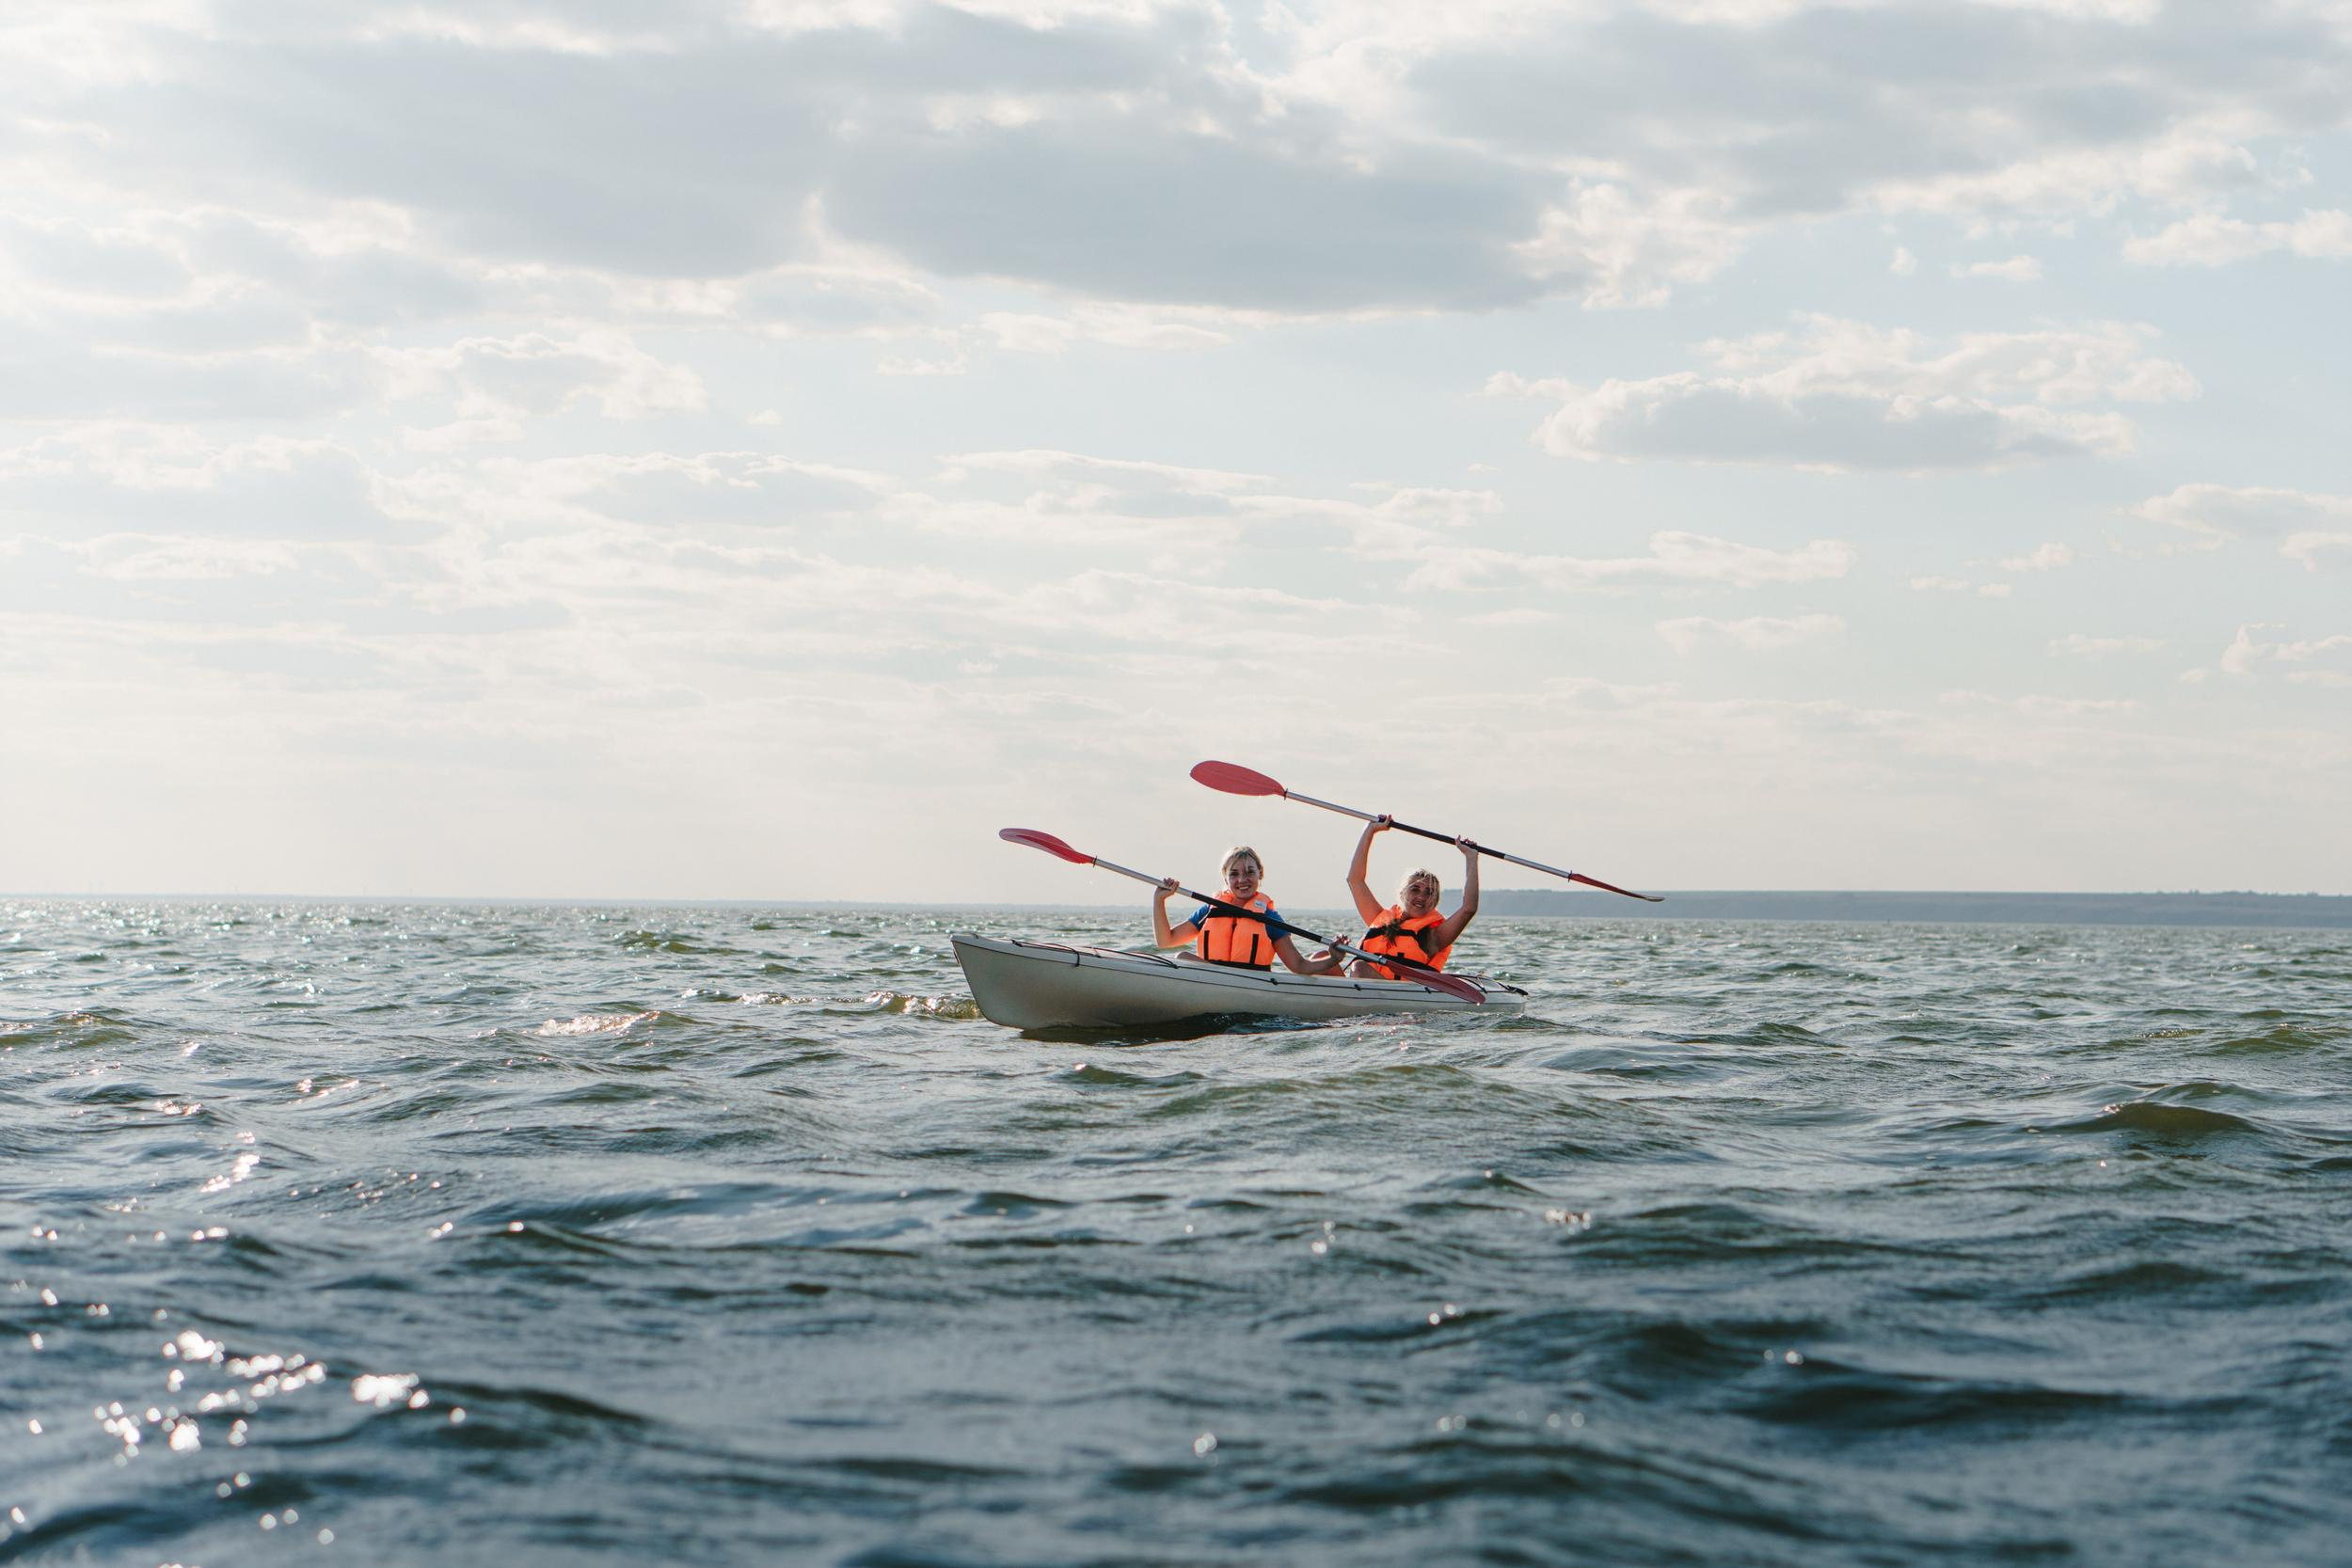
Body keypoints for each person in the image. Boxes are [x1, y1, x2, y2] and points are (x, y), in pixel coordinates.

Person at [1152, 846, 1343, 974]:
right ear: (1225, 879)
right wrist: (1159, 901)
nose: (1242, 880)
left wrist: (1333, 959)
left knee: (1181, 957)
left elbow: (1299, 966)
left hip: (1250, 984)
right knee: (1182, 956)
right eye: (1234, 874)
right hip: (1215, 981)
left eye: (1250, 872)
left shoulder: (1268, 917)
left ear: (1261, 874)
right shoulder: (1210, 910)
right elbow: (1165, 941)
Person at [1343, 816, 1480, 979]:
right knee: (1320, 957)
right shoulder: (1378, 917)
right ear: (1402, 894)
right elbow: (1355, 880)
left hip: (1399, 994)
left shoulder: (1434, 936)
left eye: (1429, 893)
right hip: (1362, 987)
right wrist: (1370, 830)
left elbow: (1468, 909)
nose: (1421, 896)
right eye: (1415, 890)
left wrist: (1471, 858)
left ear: (1435, 902)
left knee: (1359, 967)